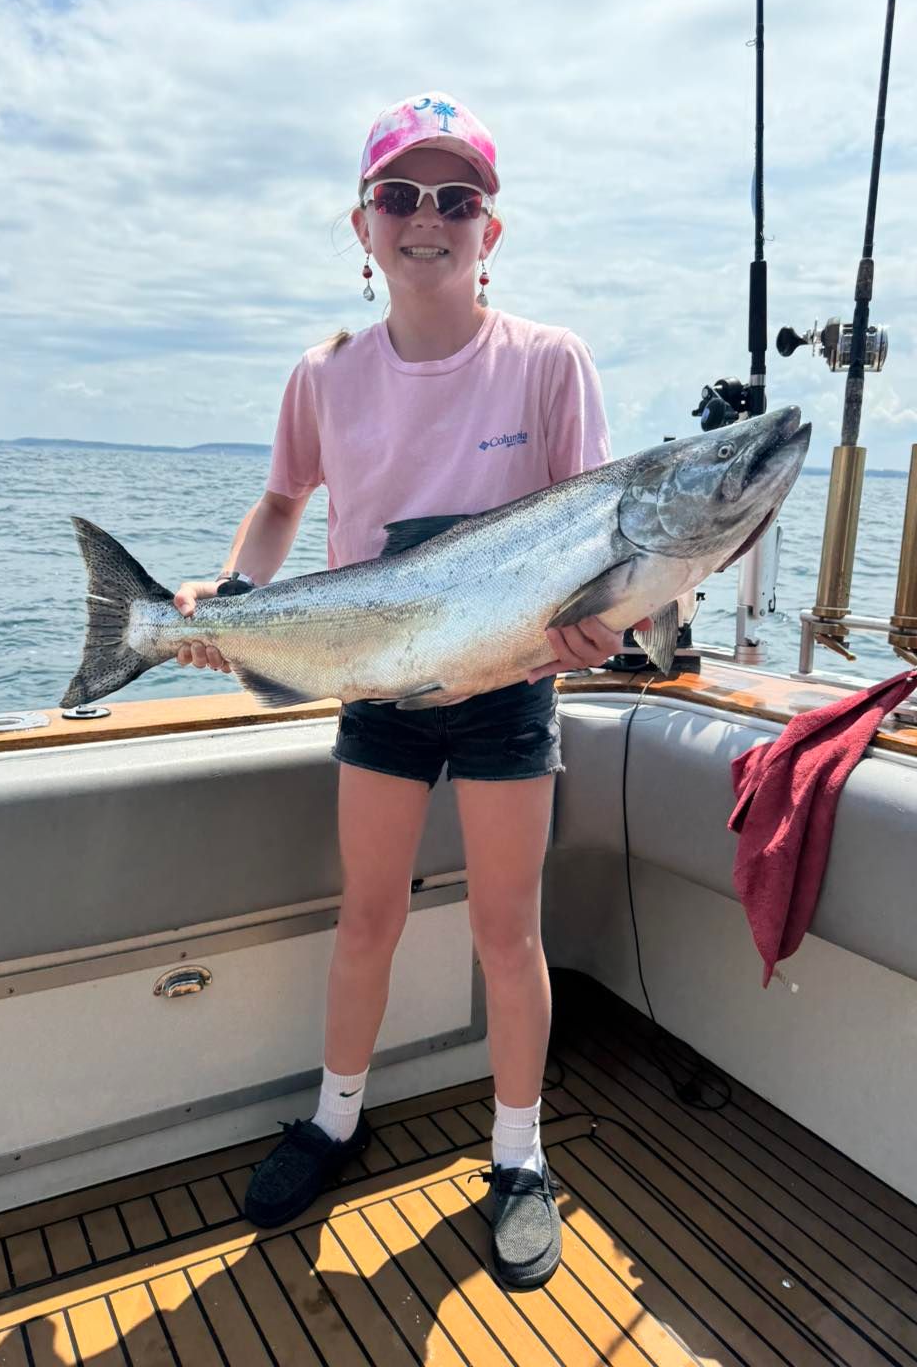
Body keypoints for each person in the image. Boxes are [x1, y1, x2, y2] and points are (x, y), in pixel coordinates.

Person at [172, 90, 644, 1292]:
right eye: (400, 195)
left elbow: (591, 535)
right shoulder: (324, 372)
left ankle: (521, 1156)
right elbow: (283, 504)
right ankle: (334, 1122)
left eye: (456, 197)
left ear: (494, 228)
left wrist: (595, 629)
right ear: (362, 224)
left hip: (507, 687)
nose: (426, 217)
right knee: (367, 917)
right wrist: (230, 598)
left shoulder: (549, 363)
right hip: (372, 681)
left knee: (507, 931)